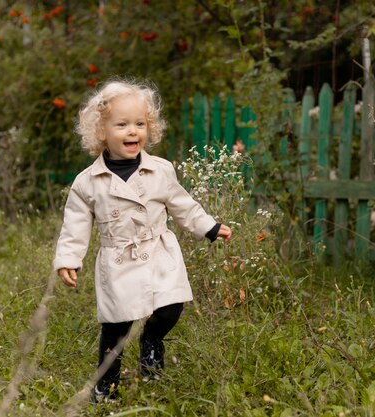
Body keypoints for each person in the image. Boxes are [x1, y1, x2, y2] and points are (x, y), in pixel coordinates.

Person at [53, 80, 232, 402]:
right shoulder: (87, 182)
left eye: (140, 124)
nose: (132, 131)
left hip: (158, 251)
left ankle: (151, 340)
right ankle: (106, 386)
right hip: (117, 257)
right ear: (101, 132)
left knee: (171, 308)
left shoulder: (160, 170)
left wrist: (208, 226)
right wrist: (68, 258)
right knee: (117, 328)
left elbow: (182, 204)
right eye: (121, 125)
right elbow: (75, 224)